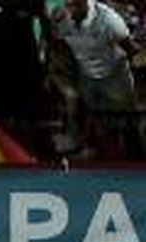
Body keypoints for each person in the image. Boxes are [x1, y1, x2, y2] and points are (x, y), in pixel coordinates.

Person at [49, 0, 146, 157]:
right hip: (84, 74)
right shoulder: (59, 15)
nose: (70, 10)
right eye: (68, 5)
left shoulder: (109, 20)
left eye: (75, 5)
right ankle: (100, 160)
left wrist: (141, 63)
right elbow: (59, 46)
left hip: (115, 75)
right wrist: (59, 73)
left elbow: (132, 51)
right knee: (96, 121)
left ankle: (136, 159)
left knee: (126, 122)